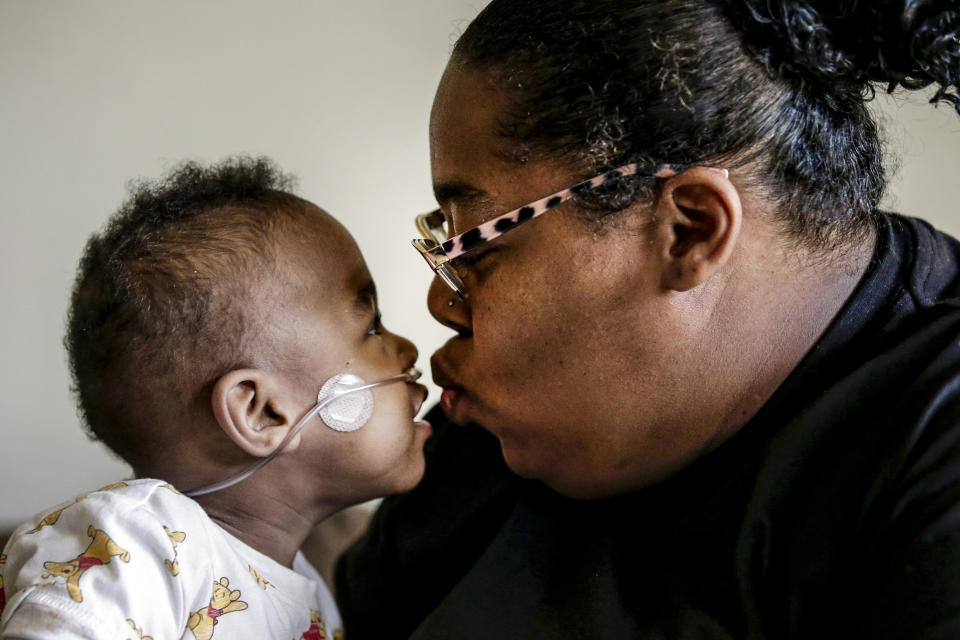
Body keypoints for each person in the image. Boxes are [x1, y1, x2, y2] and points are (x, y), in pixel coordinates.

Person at [336, 0, 960, 638]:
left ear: (689, 230)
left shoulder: (930, 467)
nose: (444, 304)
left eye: (477, 245)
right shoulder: (504, 422)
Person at [0, 157, 432, 639]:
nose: (407, 350)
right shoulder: (139, 543)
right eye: (371, 327)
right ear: (262, 412)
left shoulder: (313, 596)